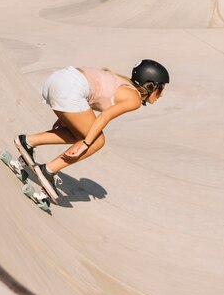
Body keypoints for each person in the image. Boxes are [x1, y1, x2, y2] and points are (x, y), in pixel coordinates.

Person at [14, 59, 170, 202]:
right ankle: (48, 171)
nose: (161, 95)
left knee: (82, 133)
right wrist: (86, 143)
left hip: (58, 80)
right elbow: (105, 116)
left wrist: (66, 118)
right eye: (161, 88)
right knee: (97, 140)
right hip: (70, 88)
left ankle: (27, 142)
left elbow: (90, 93)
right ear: (151, 85)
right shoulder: (134, 98)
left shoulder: (121, 82)